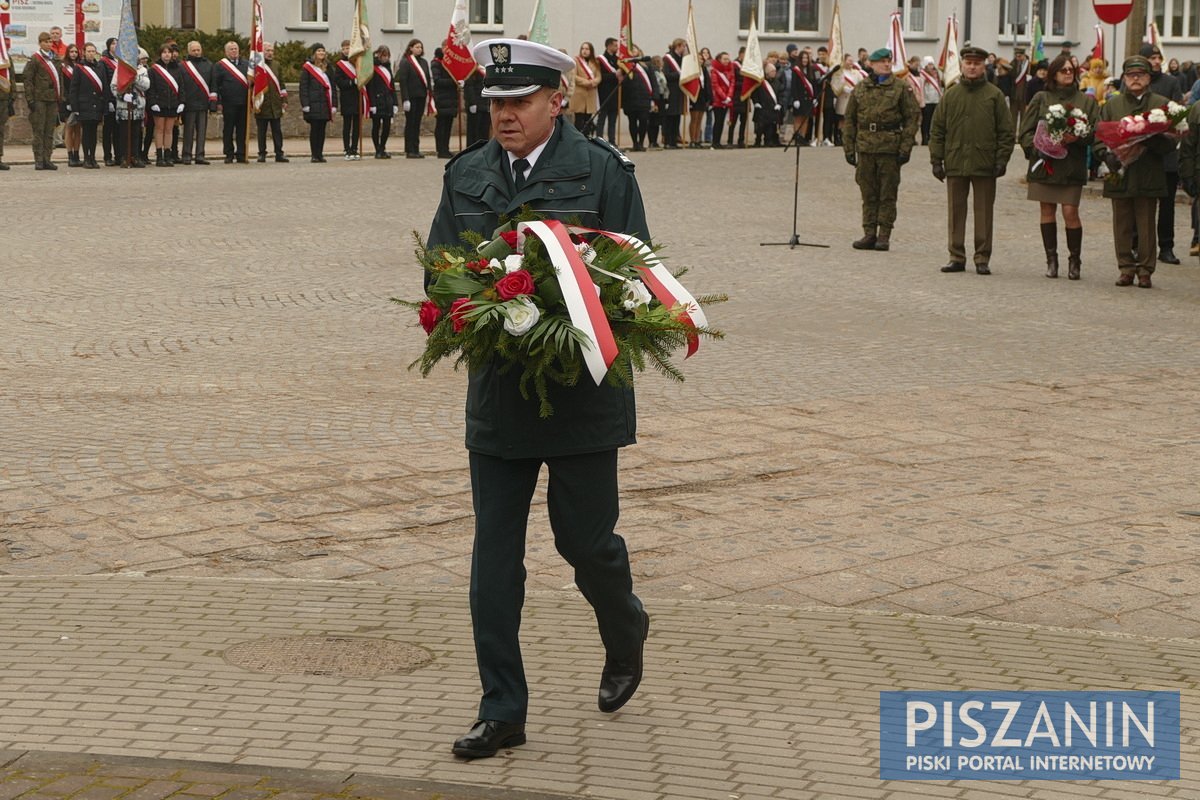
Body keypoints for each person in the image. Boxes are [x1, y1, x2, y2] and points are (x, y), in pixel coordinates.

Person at [426, 36, 650, 762]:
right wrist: (462, 305)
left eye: (519, 102)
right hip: (500, 396)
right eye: (495, 103)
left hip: (583, 392)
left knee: (584, 544)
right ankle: (503, 708)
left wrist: (562, 312)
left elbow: (635, 273)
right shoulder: (465, 175)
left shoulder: (602, 170)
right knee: (496, 559)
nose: (504, 116)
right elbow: (442, 272)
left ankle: (625, 629)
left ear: (559, 100)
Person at [930, 46, 1014, 275]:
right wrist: (936, 159)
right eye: (968, 63)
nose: (972, 67)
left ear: (983, 66)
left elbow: (1006, 131)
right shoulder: (951, 95)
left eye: (977, 64)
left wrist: (1002, 159)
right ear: (962, 65)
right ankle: (956, 256)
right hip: (956, 160)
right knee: (956, 211)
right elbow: (937, 129)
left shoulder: (994, 95)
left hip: (984, 161)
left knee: (983, 212)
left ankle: (982, 257)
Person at [1093, 55, 1173, 289]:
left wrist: (1151, 140)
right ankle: (1126, 267)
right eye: (1131, 75)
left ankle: (1146, 270)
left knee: (1146, 222)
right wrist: (1105, 155)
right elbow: (1098, 134)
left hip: (1149, 171)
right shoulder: (1112, 104)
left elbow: (1171, 142)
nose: (1135, 79)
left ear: (1149, 78)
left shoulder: (1160, 104)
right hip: (1120, 172)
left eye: (1140, 75)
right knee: (1122, 223)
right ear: (1124, 78)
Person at [1018, 55, 1098, 280]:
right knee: (1047, 210)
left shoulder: (1086, 101)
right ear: (1053, 74)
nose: (1067, 73)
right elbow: (1025, 131)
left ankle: (1075, 260)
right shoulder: (1041, 98)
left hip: (1072, 164)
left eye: (1070, 70)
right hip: (1046, 164)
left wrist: (1076, 139)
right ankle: (1051, 260)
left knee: (1070, 212)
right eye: (1063, 70)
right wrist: (1038, 149)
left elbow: (1094, 133)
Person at [842, 47, 920, 252]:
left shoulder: (901, 88)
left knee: (887, 192)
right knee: (868, 192)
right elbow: (849, 119)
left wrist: (905, 147)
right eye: (882, 61)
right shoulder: (861, 88)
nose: (887, 64)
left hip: (889, 147)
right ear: (872, 65)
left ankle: (884, 234)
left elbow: (912, 118)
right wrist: (848, 147)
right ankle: (869, 233)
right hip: (866, 147)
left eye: (889, 61)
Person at [1141, 44, 1184, 265]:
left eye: (1159, 58)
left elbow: (1177, 113)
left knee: (1166, 205)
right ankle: (1137, 245)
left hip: (1166, 154)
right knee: (1140, 204)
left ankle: (1166, 247)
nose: (1157, 61)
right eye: (1152, 58)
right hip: (1141, 153)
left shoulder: (1171, 83)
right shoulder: (1135, 82)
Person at [25, 32, 64, 170]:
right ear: (40, 43)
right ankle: (39, 160)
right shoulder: (35, 59)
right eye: (45, 42)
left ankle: (47, 158)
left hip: (53, 99)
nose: (48, 44)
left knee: (49, 131)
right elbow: (28, 80)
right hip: (39, 99)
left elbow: (60, 79)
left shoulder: (55, 59)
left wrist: (61, 97)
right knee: (39, 131)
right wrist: (30, 99)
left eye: (50, 42)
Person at [69, 43, 106, 169]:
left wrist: (105, 105)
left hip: (97, 104)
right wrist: (75, 108)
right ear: (84, 52)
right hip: (84, 104)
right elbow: (74, 88)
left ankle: (93, 158)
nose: (91, 53)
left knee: (94, 133)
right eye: (89, 51)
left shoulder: (100, 67)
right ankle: (86, 158)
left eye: (93, 51)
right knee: (86, 132)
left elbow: (104, 86)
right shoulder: (79, 68)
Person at [212, 41, 251, 163]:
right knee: (228, 129)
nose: (234, 51)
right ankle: (228, 153)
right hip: (228, 103)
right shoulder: (220, 66)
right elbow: (216, 85)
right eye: (231, 49)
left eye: (236, 49)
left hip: (243, 102)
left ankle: (241, 153)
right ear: (226, 52)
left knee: (242, 130)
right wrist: (218, 102)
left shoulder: (247, 64)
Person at [146, 43, 182, 167]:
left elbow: (181, 86)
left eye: (169, 52)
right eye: (164, 52)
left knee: (169, 130)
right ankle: (159, 156)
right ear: (160, 54)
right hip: (159, 103)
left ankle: (168, 155)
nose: (167, 55)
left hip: (172, 103)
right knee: (160, 130)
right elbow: (151, 88)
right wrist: (153, 102)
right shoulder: (153, 69)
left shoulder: (177, 68)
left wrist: (182, 102)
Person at [112, 48, 150, 168]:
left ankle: (135, 156)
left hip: (138, 107)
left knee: (136, 133)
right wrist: (122, 96)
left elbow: (146, 85)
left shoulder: (142, 70)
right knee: (123, 134)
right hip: (124, 107)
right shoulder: (119, 69)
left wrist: (134, 76)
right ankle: (124, 157)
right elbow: (113, 86)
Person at [179, 41, 214, 165]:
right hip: (189, 104)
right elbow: (181, 86)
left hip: (203, 104)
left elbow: (212, 85)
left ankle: (200, 155)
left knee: (202, 132)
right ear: (189, 51)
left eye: (198, 49)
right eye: (194, 50)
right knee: (188, 131)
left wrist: (213, 103)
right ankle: (186, 155)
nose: (196, 52)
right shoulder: (183, 66)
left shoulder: (208, 65)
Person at [397, 39, 432, 158]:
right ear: (410, 48)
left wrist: (429, 96)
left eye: (420, 47)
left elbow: (427, 80)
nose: (419, 49)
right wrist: (405, 99)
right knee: (410, 123)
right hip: (411, 97)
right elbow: (403, 81)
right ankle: (409, 149)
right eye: (417, 47)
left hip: (421, 96)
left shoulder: (424, 62)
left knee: (417, 123)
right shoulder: (406, 62)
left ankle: (416, 148)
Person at [254, 42, 289, 163]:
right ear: (262, 51)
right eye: (267, 50)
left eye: (271, 51)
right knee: (261, 131)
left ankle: (279, 153)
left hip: (275, 103)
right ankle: (262, 153)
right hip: (262, 103)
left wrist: (284, 99)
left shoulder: (276, 65)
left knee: (277, 131)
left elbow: (281, 83)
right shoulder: (257, 65)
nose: (270, 53)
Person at [299, 43, 333, 162]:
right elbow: (303, 87)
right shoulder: (308, 68)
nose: (321, 53)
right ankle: (314, 154)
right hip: (313, 104)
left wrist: (334, 104)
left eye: (323, 51)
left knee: (322, 130)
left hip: (324, 103)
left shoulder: (328, 67)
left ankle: (320, 154)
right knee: (315, 129)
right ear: (314, 53)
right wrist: (305, 104)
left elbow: (332, 86)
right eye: (319, 51)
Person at [366, 45, 398, 158]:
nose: (385, 58)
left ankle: (383, 147)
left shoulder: (388, 68)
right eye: (383, 55)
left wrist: (395, 102)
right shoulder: (373, 68)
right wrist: (372, 104)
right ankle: (377, 149)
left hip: (388, 101)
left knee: (387, 126)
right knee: (376, 126)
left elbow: (392, 86)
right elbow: (371, 87)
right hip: (377, 100)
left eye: (387, 56)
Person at [334, 41, 363, 160]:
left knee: (357, 125)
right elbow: (339, 81)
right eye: (344, 48)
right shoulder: (340, 65)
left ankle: (354, 148)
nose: (346, 50)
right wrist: (351, 82)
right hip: (347, 97)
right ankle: (346, 149)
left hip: (357, 98)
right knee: (347, 125)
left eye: (348, 48)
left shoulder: (357, 62)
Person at [431, 47, 458, 159]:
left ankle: (446, 148)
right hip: (441, 98)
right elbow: (437, 81)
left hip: (450, 98)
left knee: (448, 126)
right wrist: (453, 81)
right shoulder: (436, 63)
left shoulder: (451, 64)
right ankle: (441, 149)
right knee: (441, 126)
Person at [570, 42, 601, 133]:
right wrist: (586, 82)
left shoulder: (595, 62)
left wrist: (593, 82)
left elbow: (599, 77)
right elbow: (574, 76)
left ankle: (587, 140)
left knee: (588, 120)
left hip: (590, 95)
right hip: (579, 95)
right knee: (579, 120)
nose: (585, 51)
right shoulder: (576, 61)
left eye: (587, 49)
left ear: (591, 51)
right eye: (583, 48)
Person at [60, 44, 83, 166]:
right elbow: (62, 86)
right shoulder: (63, 67)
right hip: (67, 101)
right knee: (69, 129)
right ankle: (70, 157)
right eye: (71, 52)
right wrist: (67, 101)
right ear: (67, 53)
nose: (73, 54)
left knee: (78, 130)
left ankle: (76, 155)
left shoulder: (80, 66)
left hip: (79, 101)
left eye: (75, 51)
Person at [596, 38, 622, 142]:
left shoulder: (619, 60)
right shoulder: (600, 60)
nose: (617, 47)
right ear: (609, 46)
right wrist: (614, 75)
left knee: (613, 120)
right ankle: (599, 140)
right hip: (604, 93)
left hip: (615, 93)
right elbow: (601, 76)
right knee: (601, 119)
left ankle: (612, 141)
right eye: (615, 45)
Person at [661, 38, 686, 148]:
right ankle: (667, 140)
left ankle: (674, 140)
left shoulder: (682, 59)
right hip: (671, 91)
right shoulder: (668, 58)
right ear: (678, 46)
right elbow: (666, 75)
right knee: (670, 116)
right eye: (683, 46)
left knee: (677, 116)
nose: (684, 49)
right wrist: (679, 74)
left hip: (679, 91)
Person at [790, 49, 817, 145]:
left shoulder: (811, 70)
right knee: (798, 118)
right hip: (799, 98)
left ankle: (803, 137)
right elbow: (793, 85)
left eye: (806, 58)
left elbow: (814, 84)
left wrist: (815, 98)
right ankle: (797, 137)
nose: (805, 60)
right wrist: (795, 98)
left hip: (808, 98)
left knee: (806, 119)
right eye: (803, 58)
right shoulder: (796, 70)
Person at [99, 38, 119, 165]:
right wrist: (108, 100)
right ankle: (107, 156)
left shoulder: (121, 60)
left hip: (121, 99)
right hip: (110, 99)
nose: (115, 46)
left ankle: (119, 155)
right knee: (108, 130)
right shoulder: (104, 62)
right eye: (113, 44)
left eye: (117, 44)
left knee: (118, 130)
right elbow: (104, 82)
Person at [752, 62, 781, 147]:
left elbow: (780, 94)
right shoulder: (760, 82)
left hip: (773, 108)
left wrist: (779, 103)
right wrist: (756, 102)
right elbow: (755, 93)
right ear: (767, 72)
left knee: (771, 125)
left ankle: (768, 140)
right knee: (760, 126)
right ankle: (757, 141)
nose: (774, 73)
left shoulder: (777, 82)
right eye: (772, 71)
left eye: (775, 71)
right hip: (762, 107)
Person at [709, 51, 734, 149]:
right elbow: (715, 85)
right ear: (719, 59)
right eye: (724, 59)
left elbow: (732, 83)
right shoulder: (714, 71)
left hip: (727, 99)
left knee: (722, 121)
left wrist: (729, 96)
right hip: (718, 100)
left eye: (728, 59)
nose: (727, 61)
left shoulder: (730, 70)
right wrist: (724, 97)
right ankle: (714, 142)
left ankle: (718, 142)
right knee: (718, 121)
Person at [687, 48, 711, 148]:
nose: (701, 60)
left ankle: (697, 139)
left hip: (702, 96)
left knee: (700, 119)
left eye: (702, 59)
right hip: (694, 95)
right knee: (694, 118)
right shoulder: (692, 70)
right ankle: (692, 140)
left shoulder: (704, 69)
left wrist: (708, 97)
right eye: (699, 59)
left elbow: (707, 83)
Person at [463, 64, 490, 146]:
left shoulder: (487, 68)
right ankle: (472, 149)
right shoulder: (472, 70)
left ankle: (483, 149)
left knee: (484, 131)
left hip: (485, 104)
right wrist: (472, 102)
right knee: (474, 131)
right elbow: (469, 87)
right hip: (475, 105)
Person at [919, 57, 942, 146]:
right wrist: (922, 100)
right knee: (926, 121)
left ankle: (931, 137)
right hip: (927, 101)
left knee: (934, 121)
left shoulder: (936, 74)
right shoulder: (923, 75)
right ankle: (925, 138)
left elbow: (939, 87)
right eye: (929, 64)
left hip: (935, 101)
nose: (931, 66)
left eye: (932, 64)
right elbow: (921, 88)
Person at [0, 42, 11, 170]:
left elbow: (10, 77)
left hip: (2, 98)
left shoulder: (5, 59)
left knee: (0, 130)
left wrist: (11, 97)